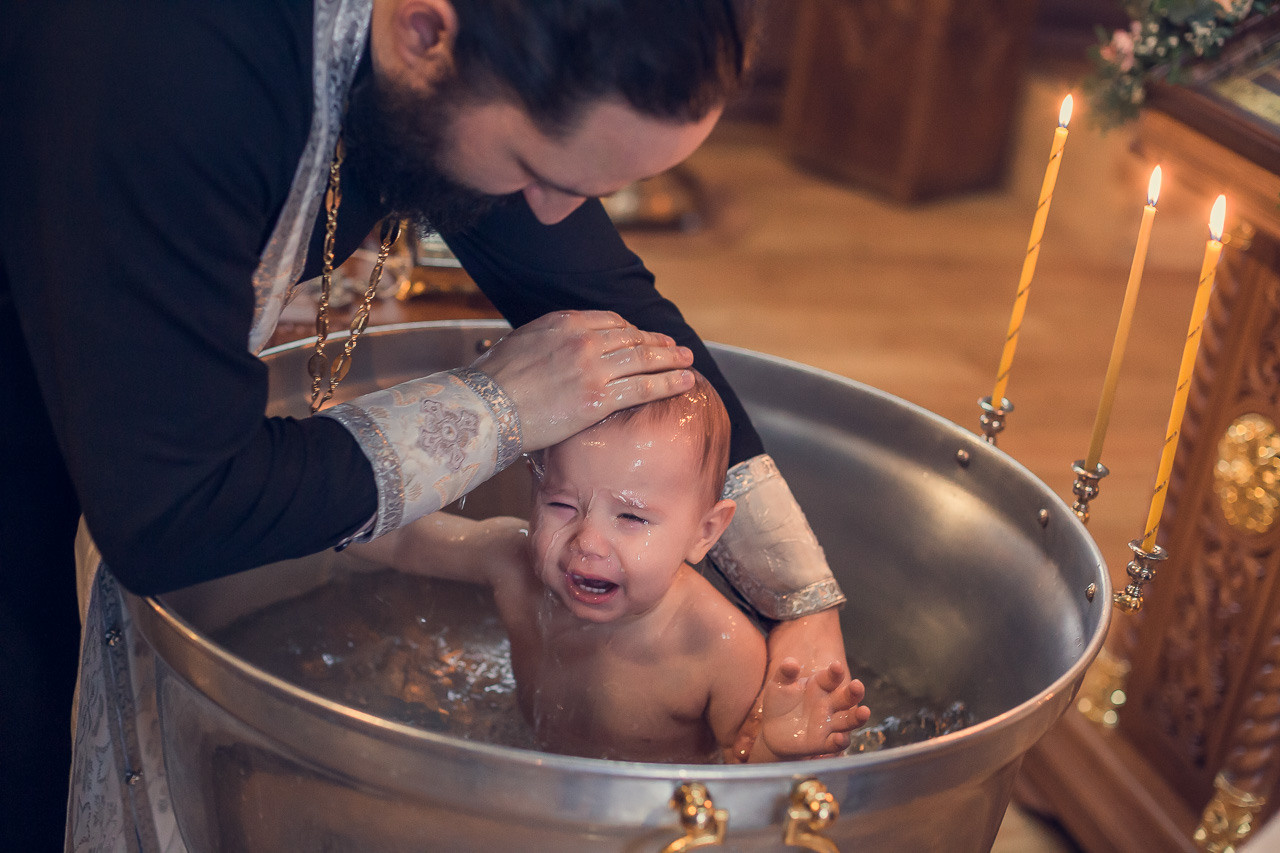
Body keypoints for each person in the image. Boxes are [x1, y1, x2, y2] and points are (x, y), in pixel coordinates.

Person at [1, 1, 850, 848]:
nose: (556, 216)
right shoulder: (168, 63)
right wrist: (493, 405)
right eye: (538, 170)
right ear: (424, 33)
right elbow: (170, 509)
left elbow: (605, 307)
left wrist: (801, 596)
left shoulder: (485, 68)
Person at [355, 373, 870, 763]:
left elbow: (739, 768)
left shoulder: (719, 646)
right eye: (562, 505)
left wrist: (776, 749)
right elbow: (409, 544)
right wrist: (323, 503)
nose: (587, 541)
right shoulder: (511, 562)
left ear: (704, 533)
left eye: (631, 517)